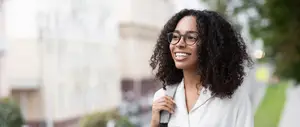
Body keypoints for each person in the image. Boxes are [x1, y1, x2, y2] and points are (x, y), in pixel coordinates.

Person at [149, 9, 253, 127]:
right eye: (175, 36)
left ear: (211, 45)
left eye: (191, 37)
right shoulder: (163, 97)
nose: (179, 43)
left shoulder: (235, 97)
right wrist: (154, 124)